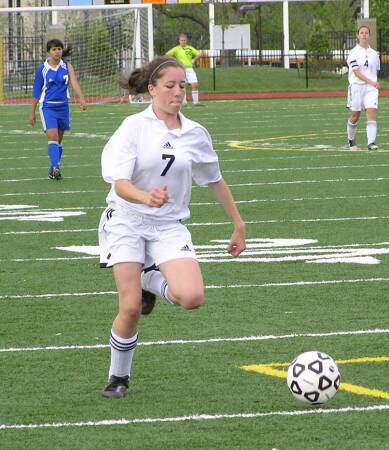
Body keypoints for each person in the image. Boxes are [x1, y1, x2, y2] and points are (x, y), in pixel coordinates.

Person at [99, 56, 246, 398]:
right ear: (151, 89)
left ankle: (149, 277)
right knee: (130, 306)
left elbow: (214, 179)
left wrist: (238, 224)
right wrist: (145, 197)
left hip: (167, 225)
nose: (178, 92)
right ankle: (118, 378)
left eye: (182, 85)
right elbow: (120, 184)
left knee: (192, 297)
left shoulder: (195, 133)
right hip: (126, 219)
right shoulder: (133, 127)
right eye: (170, 86)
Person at [29, 39, 87, 180]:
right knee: (53, 136)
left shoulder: (67, 66)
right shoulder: (42, 69)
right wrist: (32, 112)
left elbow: (74, 83)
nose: (57, 51)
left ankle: (52, 169)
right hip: (47, 107)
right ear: (48, 52)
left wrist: (81, 99)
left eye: (59, 49)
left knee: (59, 140)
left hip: (63, 107)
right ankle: (56, 166)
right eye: (54, 49)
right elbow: (36, 91)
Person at [346, 25, 381, 151]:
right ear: (358, 35)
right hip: (356, 87)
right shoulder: (353, 53)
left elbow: (375, 70)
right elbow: (356, 72)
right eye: (361, 33)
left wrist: (373, 83)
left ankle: (371, 142)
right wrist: (371, 81)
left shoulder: (375, 54)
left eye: (366, 33)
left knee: (371, 111)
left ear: (369, 35)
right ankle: (351, 139)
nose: (364, 35)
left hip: (371, 88)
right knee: (355, 116)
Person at [166, 34, 203, 106]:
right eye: (182, 40)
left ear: (186, 41)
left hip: (189, 69)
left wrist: (193, 60)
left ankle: (196, 102)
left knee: (195, 84)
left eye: (184, 40)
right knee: (182, 85)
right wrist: (175, 61)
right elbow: (167, 55)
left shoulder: (190, 48)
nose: (183, 42)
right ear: (179, 41)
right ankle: (183, 102)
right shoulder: (176, 49)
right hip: (180, 69)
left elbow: (199, 54)